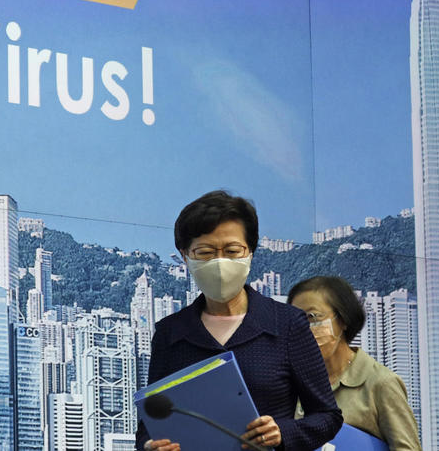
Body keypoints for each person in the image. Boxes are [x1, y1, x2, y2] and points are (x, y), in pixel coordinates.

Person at [136, 191, 342, 451]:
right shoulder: (170, 333)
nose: (220, 262)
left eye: (232, 251)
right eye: (205, 252)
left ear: (251, 252)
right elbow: (149, 424)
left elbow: (327, 416)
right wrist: (150, 446)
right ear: (185, 256)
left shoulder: (288, 325)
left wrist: (282, 432)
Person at [288, 276, 422, 451]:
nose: (304, 328)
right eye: (295, 320)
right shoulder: (291, 383)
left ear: (342, 319)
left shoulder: (381, 383)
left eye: (312, 317)